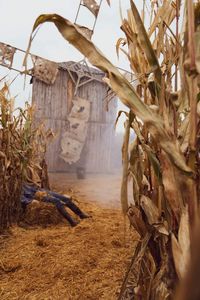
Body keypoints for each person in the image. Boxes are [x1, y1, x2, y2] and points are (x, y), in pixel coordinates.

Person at [21, 184, 90, 227]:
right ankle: (72, 221)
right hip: (35, 196)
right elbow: (20, 198)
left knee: (65, 198)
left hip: (40, 191)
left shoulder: (21, 180)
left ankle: (81, 214)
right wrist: (30, 201)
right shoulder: (14, 185)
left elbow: (32, 186)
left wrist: (39, 189)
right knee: (56, 201)